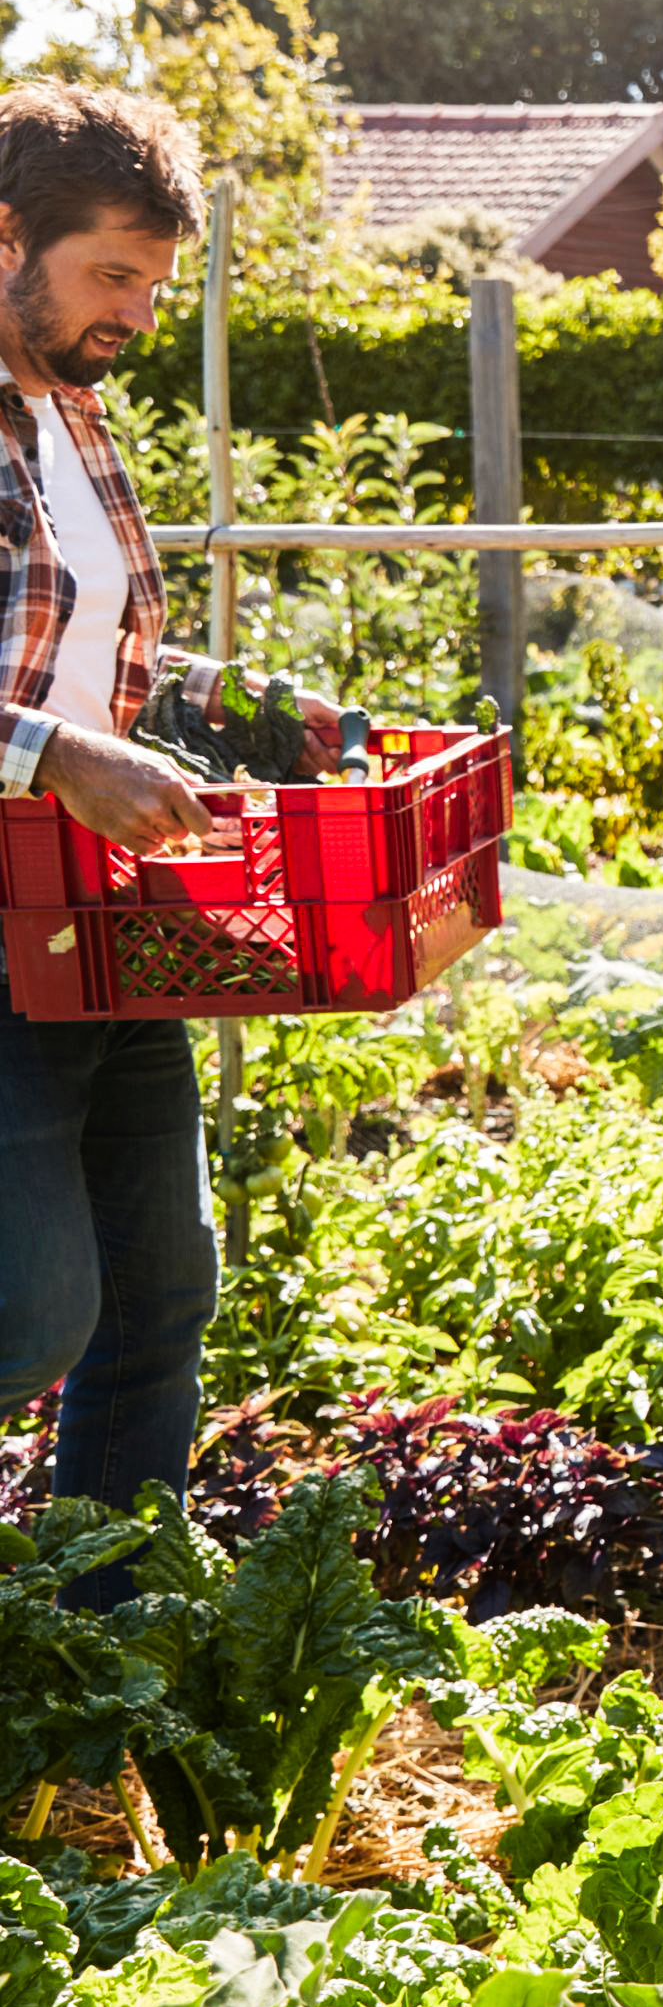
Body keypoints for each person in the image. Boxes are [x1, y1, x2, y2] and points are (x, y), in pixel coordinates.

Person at [0, 83, 344, 1605]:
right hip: (2, 919)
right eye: (110, 275)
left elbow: (80, 658)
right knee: (30, 1311)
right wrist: (55, 758)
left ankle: (94, 1645)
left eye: (153, 282)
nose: (135, 313)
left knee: (159, 1294)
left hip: (101, 912)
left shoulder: (71, 416)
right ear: (7, 236)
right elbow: (51, 719)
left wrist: (240, 700)